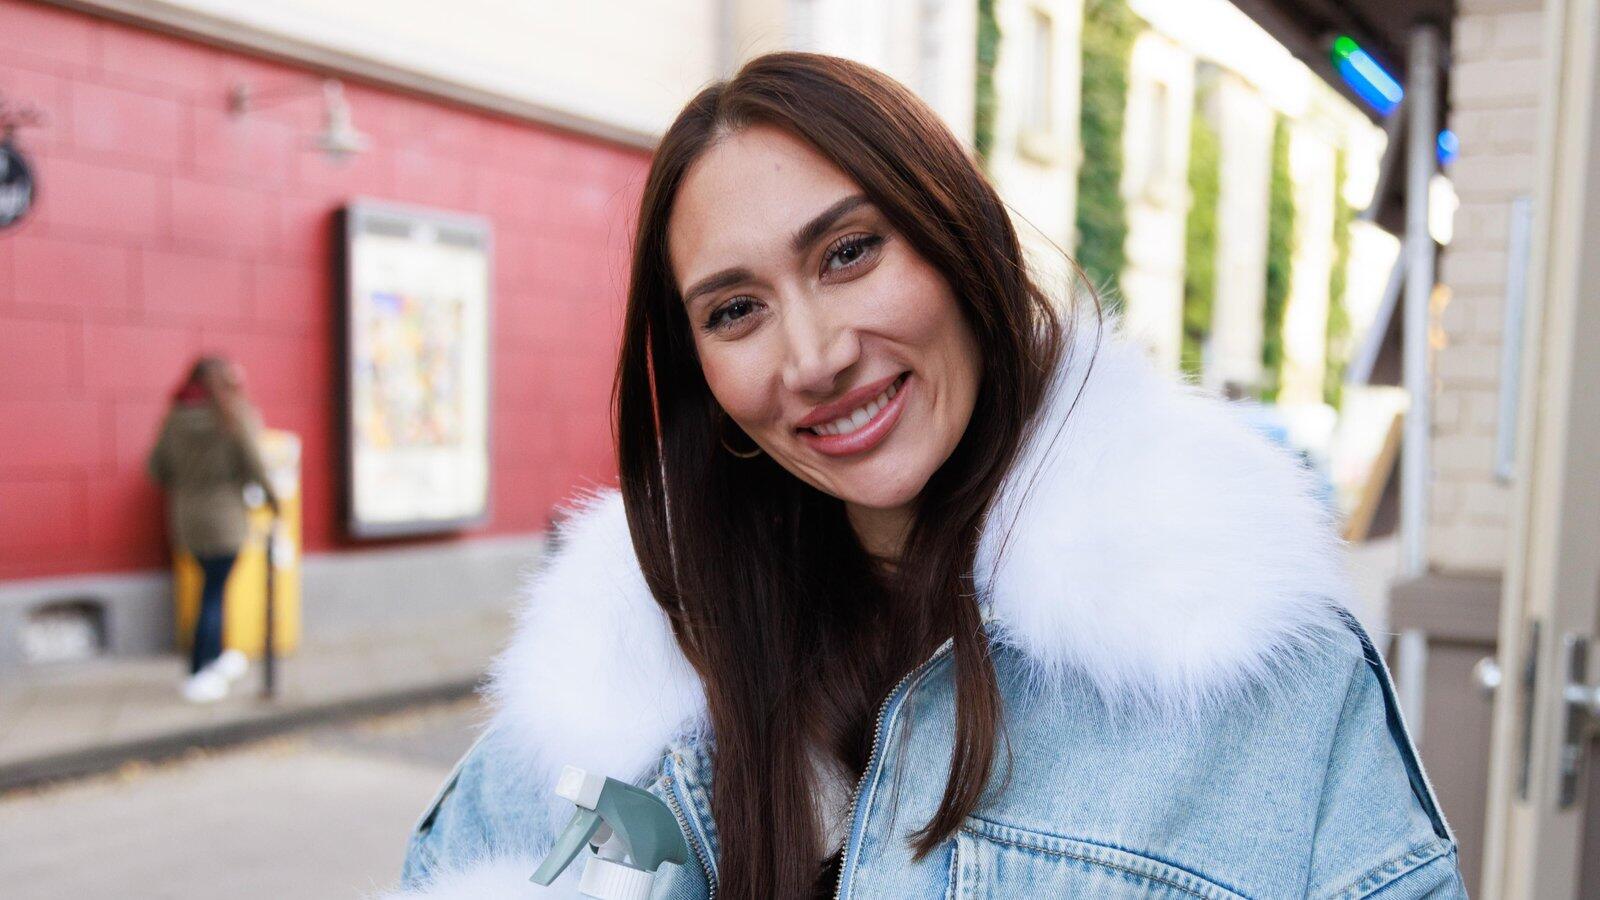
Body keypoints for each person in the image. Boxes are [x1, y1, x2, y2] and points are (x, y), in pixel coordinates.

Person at [392, 53, 1465, 898]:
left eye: (848, 253)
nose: (814, 359)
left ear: (959, 243)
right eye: (736, 310)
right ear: (701, 377)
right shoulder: (620, 681)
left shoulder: (1243, 659)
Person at [147, 356, 278, 704]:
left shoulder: (175, 418)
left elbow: (156, 468)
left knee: (211, 589)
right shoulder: (234, 415)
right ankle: (199, 670)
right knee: (213, 593)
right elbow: (254, 464)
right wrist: (273, 500)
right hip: (225, 518)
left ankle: (216, 658)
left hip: (186, 519)